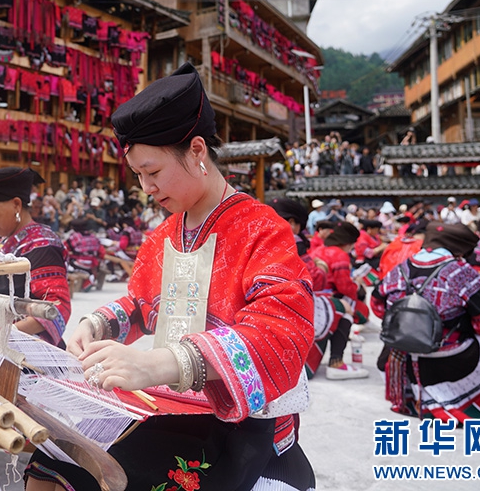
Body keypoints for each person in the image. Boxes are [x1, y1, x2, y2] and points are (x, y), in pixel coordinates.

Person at [26, 63, 315, 491]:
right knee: (56, 455)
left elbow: (282, 333)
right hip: (171, 401)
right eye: (139, 175)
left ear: (197, 150)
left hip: (237, 421)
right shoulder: (167, 232)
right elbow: (143, 303)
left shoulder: (260, 228)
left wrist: (164, 362)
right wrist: (97, 324)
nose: (145, 187)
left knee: (112, 470)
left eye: (153, 172)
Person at [373, 223, 480, 423]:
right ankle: (475, 401)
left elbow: (378, 307)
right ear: (460, 249)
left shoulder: (400, 269)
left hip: (404, 355)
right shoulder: (460, 272)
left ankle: (412, 397)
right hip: (446, 363)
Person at [0, 167, 71, 348]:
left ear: (16, 205)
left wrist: (2, 335)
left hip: (26, 353)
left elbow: (57, 307)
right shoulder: (6, 241)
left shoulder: (42, 244)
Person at [308, 221, 370, 379]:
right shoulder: (340, 255)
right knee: (348, 312)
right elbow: (344, 287)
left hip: (310, 299)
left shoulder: (318, 250)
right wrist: (356, 286)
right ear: (348, 243)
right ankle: (336, 362)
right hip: (326, 301)